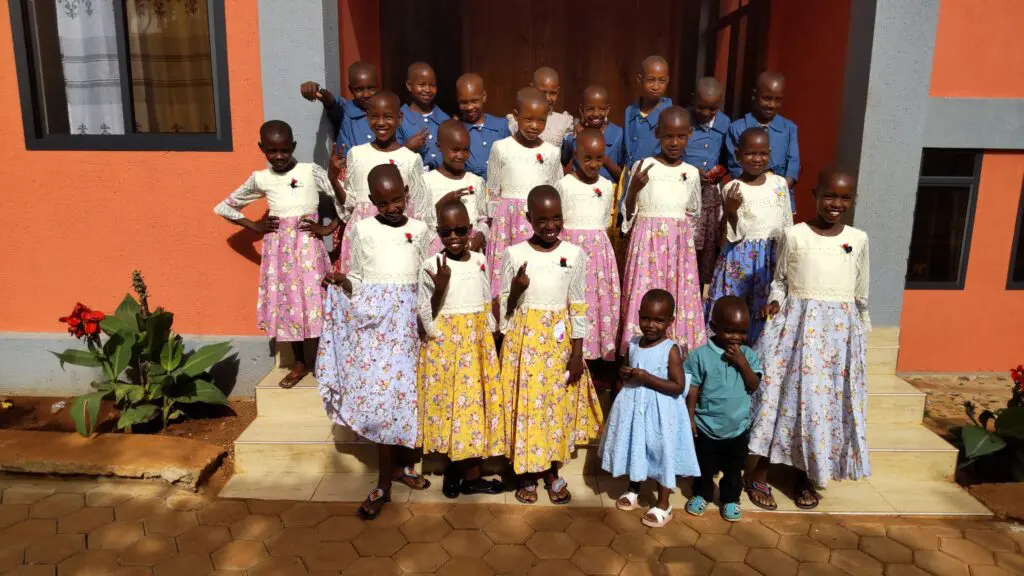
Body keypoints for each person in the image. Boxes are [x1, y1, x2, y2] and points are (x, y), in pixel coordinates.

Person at [745, 169, 870, 511]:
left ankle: (805, 474)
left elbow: (860, 293)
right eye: (830, 195)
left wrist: (857, 338)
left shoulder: (858, 240)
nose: (836, 204)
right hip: (795, 331)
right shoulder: (794, 234)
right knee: (776, 397)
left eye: (845, 198)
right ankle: (757, 472)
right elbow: (781, 281)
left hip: (836, 338)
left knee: (820, 407)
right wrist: (774, 302)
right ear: (815, 194)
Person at [317, 164, 433, 519]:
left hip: (410, 324)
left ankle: (399, 467)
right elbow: (357, 277)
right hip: (376, 327)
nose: (393, 207)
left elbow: (427, 275)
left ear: (406, 195)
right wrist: (340, 282)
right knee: (384, 397)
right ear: (372, 202)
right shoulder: (362, 230)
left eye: (397, 199)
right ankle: (385, 478)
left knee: (407, 397)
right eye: (384, 203)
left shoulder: (421, 229)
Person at [214, 120, 345, 389]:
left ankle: (323, 360)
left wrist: (329, 227)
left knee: (316, 303)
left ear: (293, 146)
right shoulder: (261, 179)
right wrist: (255, 226)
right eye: (272, 151)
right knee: (290, 307)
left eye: (284, 150)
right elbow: (225, 207)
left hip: (309, 248)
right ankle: (299, 363)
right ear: (262, 148)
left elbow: (342, 198)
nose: (279, 156)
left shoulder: (310, 171)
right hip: (279, 255)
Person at [500, 185, 603, 505]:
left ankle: (551, 471)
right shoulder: (515, 254)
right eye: (542, 219)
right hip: (524, 345)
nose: (549, 225)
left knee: (554, 410)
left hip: (558, 349)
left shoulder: (573, 254)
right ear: (529, 217)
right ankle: (527, 474)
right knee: (528, 409)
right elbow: (505, 309)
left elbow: (577, 305)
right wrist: (517, 290)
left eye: (556, 218)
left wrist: (577, 352)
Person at [417, 199, 506, 498]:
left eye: (460, 230)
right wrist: (440, 287)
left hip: (477, 345)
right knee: (452, 410)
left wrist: (491, 334)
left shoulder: (480, 260)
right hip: (446, 350)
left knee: (476, 409)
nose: (453, 237)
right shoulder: (430, 266)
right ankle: (454, 473)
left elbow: (484, 300)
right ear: (438, 232)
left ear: (470, 229)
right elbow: (424, 317)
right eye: (446, 231)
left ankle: (472, 476)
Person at [600, 289, 699, 528]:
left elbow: (677, 386)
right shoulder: (634, 343)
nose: (650, 325)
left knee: (660, 452)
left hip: (661, 413)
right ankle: (634, 487)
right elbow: (627, 368)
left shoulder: (670, 349)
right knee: (637, 446)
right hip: (634, 410)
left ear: (670, 322)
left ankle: (664, 503)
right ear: (639, 315)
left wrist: (646, 377)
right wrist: (625, 373)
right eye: (645, 318)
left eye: (658, 320)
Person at [620, 106, 705, 353]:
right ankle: (636, 354)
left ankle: (674, 357)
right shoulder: (643, 166)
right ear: (658, 134)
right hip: (647, 248)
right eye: (668, 136)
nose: (674, 142)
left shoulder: (690, 174)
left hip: (678, 253)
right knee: (644, 295)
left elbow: (693, 215)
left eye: (680, 136)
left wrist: (681, 247)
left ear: (689, 134)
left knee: (676, 296)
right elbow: (629, 212)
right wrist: (634, 188)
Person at [705, 128, 792, 344]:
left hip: (770, 260)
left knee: (766, 313)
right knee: (736, 312)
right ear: (737, 155)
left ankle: (756, 362)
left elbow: (787, 223)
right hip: (740, 261)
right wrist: (732, 210)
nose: (757, 159)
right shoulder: (732, 188)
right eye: (750, 154)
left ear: (770, 153)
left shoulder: (779, 184)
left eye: (763, 153)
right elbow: (734, 234)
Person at [684, 295, 762, 522]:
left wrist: (741, 363)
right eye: (729, 331)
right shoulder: (700, 355)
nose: (736, 338)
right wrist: (689, 417)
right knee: (704, 467)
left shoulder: (748, 355)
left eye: (741, 332)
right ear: (713, 327)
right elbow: (693, 388)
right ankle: (701, 494)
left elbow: (754, 384)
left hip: (737, 427)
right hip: (706, 425)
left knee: (733, 469)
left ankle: (730, 499)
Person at [336, 91, 429, 273]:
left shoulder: (411, 159)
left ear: (400, 118)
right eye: (374, 117)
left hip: (399, 233)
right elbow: (350, 202)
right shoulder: (356, 154)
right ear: (367, 118)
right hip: (362, 234)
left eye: (387, 117)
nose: (380, 123)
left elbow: (419, 207)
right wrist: (333, 179)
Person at [484, 87, 562, 297]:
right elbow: (492, 190)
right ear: (516, 116)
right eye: (528, 119)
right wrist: (492, 224)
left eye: (541, 121)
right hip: (505, 225)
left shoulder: (551, 153)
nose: (535, 126)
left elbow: (556, 192)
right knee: (504, 276)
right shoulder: (500, 148)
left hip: (535, 223)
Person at [555, 128, 620, 362]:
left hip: (599, 256)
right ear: (575, 157)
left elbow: (604, 222)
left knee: (596, 302)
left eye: (599, 158)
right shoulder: (564, 185)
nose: (594, 164)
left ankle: (594, 355)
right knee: (573, 300)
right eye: (587, 158)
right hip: (572, 253)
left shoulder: (606, 186)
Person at [726, 71, 800, 213]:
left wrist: (778, 190)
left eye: (778, 100)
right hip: (748, 198)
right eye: (766, 98)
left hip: (780, 198)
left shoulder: (789, 128)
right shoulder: (737, 128)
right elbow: (735, 167)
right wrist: (759, 191)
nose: (771, 105)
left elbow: (793, 166)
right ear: (754, 95)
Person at [685, 77, 731, 291]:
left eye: (712, 109)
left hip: (710, 193)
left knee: (708, 243)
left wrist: (719, 172)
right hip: (685, 192)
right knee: (689, 241)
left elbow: (728, 158)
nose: (705, 113)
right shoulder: (684, 119)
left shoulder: (725, 124)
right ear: (694, 100)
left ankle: (702, 289)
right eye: (701, 107)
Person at [423, 120, 488, 254]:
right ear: (439, 146)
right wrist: (441, 204)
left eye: (465, 150)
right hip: (440, 253)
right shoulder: (427, 181)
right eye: (455, 150)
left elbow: (484, 218)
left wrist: (480, 235)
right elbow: (419, 219)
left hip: (472, 252)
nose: (461, 155)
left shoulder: (476, 182)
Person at [300, 61, 379, 150]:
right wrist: (318, 90)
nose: (366, 95)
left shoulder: (392, 112)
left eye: (371, 88)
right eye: (359, 89)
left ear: (378, 86)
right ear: (351, 89)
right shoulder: (345, 111)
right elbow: (330, 101)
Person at [561, 84, 625, 182]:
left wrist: (605, 160)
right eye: (590, 109)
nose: (596, 114)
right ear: (582, 110)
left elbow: (622, 177)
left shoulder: (618, 135)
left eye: (602, 109)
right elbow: (563, 169)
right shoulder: (573, 138)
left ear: (607, 110)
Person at [456, 73, 511, 179]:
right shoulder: (458, 131)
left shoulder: (501, 126)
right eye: (464, 102)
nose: (469, 107)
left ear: (484, 97)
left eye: (474, 101)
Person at [397, 62, 450, 171]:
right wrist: (408, 148)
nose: (427, 89)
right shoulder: (399, 118)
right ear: (409, 85)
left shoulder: (445, 120)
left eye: (432, 85)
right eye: (421, 85)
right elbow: (391, 158)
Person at [624, 55, 673, 171]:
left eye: (662, 81)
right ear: (640, 79)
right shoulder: (630, 111)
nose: (656, 86)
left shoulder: (670, 115)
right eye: (651, 80)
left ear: (667, 81)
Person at [507, 66, 575, 149]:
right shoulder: (516, 119)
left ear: (558, 91)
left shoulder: (563, 121)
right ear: (532, 87)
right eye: (542, 92)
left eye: (552, 93)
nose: (547, 98)